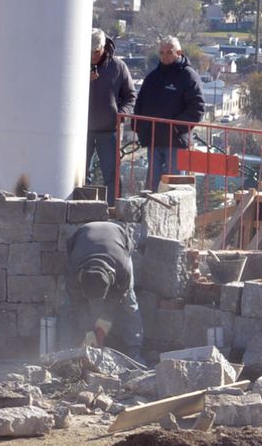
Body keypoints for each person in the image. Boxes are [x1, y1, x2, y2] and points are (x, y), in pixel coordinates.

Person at [63, 221, 144, 362]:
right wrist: (88, 330)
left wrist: (103, 324)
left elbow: (119, 295)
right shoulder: (73, 268)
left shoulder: (123, 267)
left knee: (129, 303)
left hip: (119, 240)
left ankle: (134, 352)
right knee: (68, 304)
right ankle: (69, 349)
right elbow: (77, 302)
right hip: (84, 236)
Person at [131, 36, 205, 188]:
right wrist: (139, 126)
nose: (165, 56)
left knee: (174, 185)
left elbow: (197, 108)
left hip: (175, 141)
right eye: (162, 53)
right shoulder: (152, 77)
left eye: (169, 52)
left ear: (179, 53)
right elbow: (140, 103)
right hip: (153, 139)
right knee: (151, 184)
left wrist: (177, 127)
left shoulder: (189, 76)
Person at [87, 28, 134, 203]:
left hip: (109, 130)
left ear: (104, 48)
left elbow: (130, 96)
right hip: (82, 130)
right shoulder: (75, 64)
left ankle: (113, 211)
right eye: (89, 52)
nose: (92, 56)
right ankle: (83, 207)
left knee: (112, 175)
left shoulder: (118, 67)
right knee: (81, 174)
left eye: (96, 52)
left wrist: (120, 115)